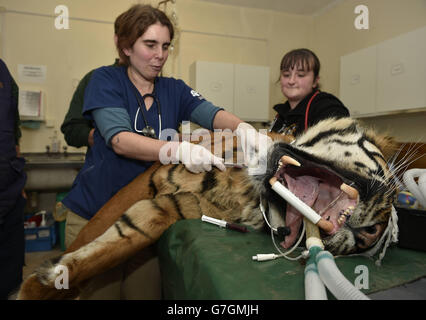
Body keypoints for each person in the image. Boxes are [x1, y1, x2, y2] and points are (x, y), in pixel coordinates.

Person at [61, 4, 266, 299]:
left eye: (166, 46)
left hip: (145, 220)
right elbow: (119, 139)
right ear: (126, 46)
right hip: (97, 217)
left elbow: (211, 113)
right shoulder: (105, 80)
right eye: (150, 44)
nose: (160, 55)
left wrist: (245, 129)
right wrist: (179, 150)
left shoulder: (174, 89)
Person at [270, 48, 350, 136]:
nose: (291, 81)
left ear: (315, 81)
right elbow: (265, 147)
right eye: (286, 75)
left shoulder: (329, 108)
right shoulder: (281, 113)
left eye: (300, 75)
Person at [0, 59, 27, 299]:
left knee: (10, 282)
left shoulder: (4, 74)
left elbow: (13, 131)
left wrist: (19, 185)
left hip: (9, 195)